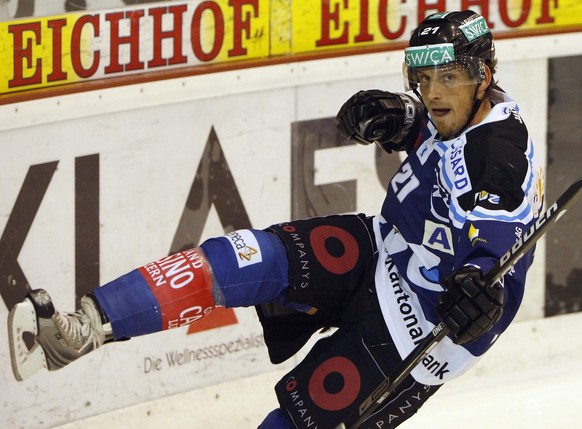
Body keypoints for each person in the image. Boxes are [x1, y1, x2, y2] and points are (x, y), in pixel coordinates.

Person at [8, 10, 544, 429]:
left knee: (303, 418)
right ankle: (79, 331)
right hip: (388, 248)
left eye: (446, 78)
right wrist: (402, 123)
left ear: (482, 77)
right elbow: (435, 138)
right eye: (422, 78)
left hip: (425, 325)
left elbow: (493, 248)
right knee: (248, 255)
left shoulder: (499, 152)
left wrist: (478, 291)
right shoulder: (462, 110)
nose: (430, 93)